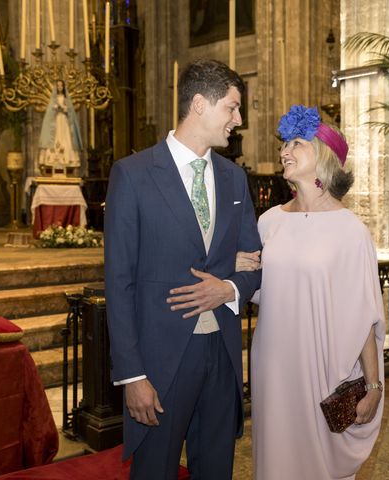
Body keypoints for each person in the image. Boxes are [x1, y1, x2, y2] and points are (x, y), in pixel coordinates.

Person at [104, 59, 262, 480]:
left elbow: (255, 264)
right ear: (198, 104)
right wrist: (132, 375)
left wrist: (228, 288)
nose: (238, 119)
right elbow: (119, 283)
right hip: (160, 362)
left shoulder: (233, 179)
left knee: (215, 470)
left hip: (222, 358)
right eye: (231, 107)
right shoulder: (133, 175)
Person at [237, 105, 386, 479]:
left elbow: (363, 314)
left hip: (325, 363)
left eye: (296, 143)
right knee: (277, 454)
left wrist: (373, 385)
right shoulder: (269, 221)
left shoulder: (350, 230)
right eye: (284, 144)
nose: (284, 151)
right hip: (273, 362)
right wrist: (241, 266)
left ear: (322, 155)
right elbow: (258, 287)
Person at [38, 79, 82, 174]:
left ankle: (68, 160)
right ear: (56, 87)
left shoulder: (67, 99)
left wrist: (64, 108)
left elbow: (70, 112)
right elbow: (50, 112)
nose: (60, 87)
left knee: (66, 138)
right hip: (56, 121)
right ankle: (53, 159)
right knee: (55, 137)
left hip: (64, 121)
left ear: (64, 87)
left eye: (61, 86)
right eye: (58, 86)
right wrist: (55, 107)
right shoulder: (53, 99)